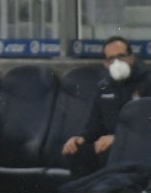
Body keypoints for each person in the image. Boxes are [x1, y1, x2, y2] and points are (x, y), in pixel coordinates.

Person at [61, 36, 151, 178]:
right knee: (75, 151)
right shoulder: (104, 87)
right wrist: (79, 138)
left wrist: (119, 139)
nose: (117, 62)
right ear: (106, 64)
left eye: (121, 56)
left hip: (137, 147)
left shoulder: (147, 82)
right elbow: (93, 126)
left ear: (132, 58)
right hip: (108, 146)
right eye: (111, 59)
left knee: (109, 150)